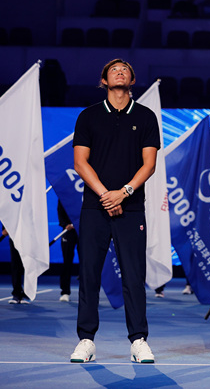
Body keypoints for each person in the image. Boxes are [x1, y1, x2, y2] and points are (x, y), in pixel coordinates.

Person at [69, 58, 160, 364]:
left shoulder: (146, 117)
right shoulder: (89, 116)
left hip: (131, 208)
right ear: (104, 80)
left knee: (134, 276)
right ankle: (86, 340)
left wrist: (123, 193)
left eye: (125, 70)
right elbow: (80, 162)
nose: (120, 72)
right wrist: (106, 195)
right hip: (95, 207)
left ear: (132, 80)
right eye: (113, 70)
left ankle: (138, 340)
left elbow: (149, 164)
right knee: (89, 273)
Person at [57, 201, 78, 302]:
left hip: (83, 231)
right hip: (68, 232)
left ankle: (86, 293)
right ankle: (65, 292)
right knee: (67, 262)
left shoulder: (84, 193)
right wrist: (65, 224)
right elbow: (60, 211)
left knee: (87, 264)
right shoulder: (64, 194)